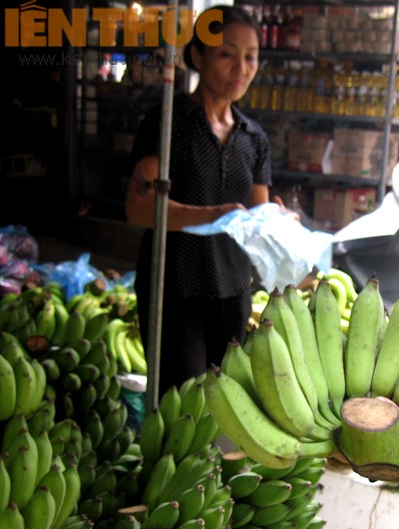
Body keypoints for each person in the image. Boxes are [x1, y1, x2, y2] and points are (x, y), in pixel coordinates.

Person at [125, 5, 275, 396]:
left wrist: (279, 219)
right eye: (227, 54)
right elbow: (139, 209)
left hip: (233, 290)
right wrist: (214, 215)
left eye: (250, 57)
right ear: (197, 55)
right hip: (175, 289)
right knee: (181, 407)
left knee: (226, 406)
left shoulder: (253, 138)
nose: (241, 68)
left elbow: (258, 215)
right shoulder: (169, 121)